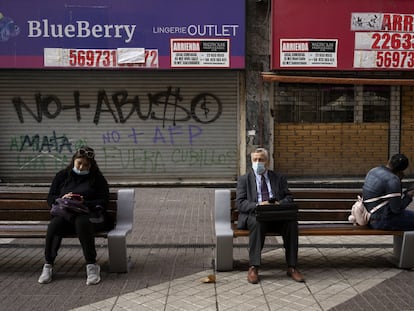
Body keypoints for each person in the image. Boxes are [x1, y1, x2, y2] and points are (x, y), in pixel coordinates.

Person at [38, 146, 111, 285]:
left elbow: (103, 200)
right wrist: (62, 198)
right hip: (66, 214)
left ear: (91, 165)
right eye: (79, 163)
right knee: (54, 225)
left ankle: (91, 265)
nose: (82, 167)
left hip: (91, 216)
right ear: (73, 161)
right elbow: (50, 197)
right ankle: (48, 264)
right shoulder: (62, 176)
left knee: (82, 223)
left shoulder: (97, 179)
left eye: (86, 165)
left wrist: (85, 202)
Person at [236, 147, 304, 284]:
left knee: (291, 223)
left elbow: (289, 197)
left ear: (267, 161)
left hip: (276, 214)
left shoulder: (278, 178)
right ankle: (254, 267)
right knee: (257, 222)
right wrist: (259, 205)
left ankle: (292, 267)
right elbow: (240, 203)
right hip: (257, 214)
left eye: (261, 159)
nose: (257, 162)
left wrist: (279, 203)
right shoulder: (244, 180)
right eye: (255, 160)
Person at [363, 153, 414, 230]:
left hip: (369, 216)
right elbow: (397, 210)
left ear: (389, 161)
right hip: (381, 221)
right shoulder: (392, 180)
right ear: (402, 170)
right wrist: (409, 195)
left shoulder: (373, 171)